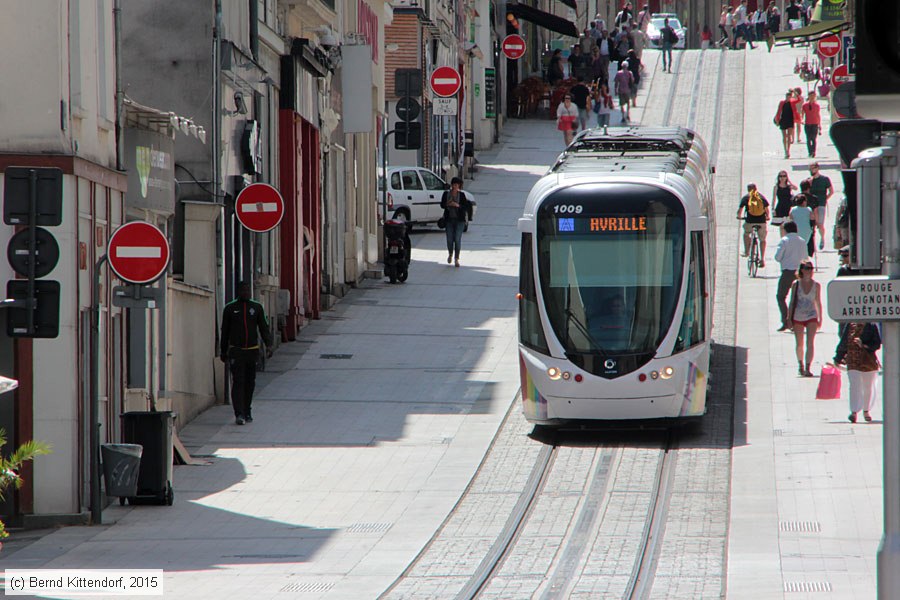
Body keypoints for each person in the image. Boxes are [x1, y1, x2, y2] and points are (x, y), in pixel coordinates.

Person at [220, 281, 274, 425]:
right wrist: (223, 351)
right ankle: (239, 413)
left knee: (250, 383)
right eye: (243, 290)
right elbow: (224, 332)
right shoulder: (230, 309)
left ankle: (247, 410)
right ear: (239, 292)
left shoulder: (256, 308)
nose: (246, 292)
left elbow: (263, 327)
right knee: (238, 382)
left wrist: (268, 345)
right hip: (236, 351)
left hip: (252, 351)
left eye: (247, 290)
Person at [834, 321, 881, 423]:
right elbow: (844, 342)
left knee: (867, 387)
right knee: (854, 385)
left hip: (868, 361)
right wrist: (838, 358)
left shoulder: (871, 325)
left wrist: (863, 344)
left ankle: (866, 410)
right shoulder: (850, 324)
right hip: (853, 361)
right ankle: (854, 411)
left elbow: (877, 344)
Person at [787, 261, 822, 376]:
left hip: (811, 315)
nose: (809, 271)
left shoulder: (816, 285)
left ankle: (808, 367)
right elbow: (792, 302)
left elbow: (818, 301)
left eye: (811, 268)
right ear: (802, 270)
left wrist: (820, 317)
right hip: (798, 315)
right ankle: (800, 364)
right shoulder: (796, 284)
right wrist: (788, 318)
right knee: (799, 344)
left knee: (810, 342)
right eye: (807, 268)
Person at [774, 221, 809, 331]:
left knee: (781, 296)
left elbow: (777, 257)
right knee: (798, 298)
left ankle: (785, 321)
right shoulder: (802, 241)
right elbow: (805, 257)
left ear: (785, 230)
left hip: (788, 272)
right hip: (800, 272)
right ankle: (798, 321)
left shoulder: (784, 241)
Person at [440, 177, 473, 268]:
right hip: (449, 220)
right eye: (454, 184)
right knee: (449, 239)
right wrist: (448, 204)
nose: (455, 186)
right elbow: (442, 205)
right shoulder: (446, 194)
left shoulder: (461, 195)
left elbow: (465, 206)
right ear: (451, 185)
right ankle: (450, 253)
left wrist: (457, 205)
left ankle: (456, 258)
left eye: (457, 185)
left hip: (459, 221)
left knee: (457, 239)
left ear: (459, 186)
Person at [736, 183, 770, 265]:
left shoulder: (746, 197)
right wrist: (767, 217)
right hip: (761, 221)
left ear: (748, 189)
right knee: (762, 240)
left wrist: (738, 216)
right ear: (756, 188)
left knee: (746, 234)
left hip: (750, 221)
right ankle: (762, 259)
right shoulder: (761, 197)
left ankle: (747, 251)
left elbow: (740, 210)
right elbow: (766, 210)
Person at [807, 161, 833, 249]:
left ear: (817, 168)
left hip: (821, 203)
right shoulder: (809, 180)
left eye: (813, 168)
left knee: (820, 223)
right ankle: (812, 243)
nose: (812, 170)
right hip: (812, 205)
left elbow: (831, 191)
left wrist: (826, 198)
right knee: (812, 224)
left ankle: (822, 238)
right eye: (810, 168)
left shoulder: (825, 179)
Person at [789, 189, 817, 257]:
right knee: (804, 245)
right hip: (806, 230)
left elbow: (790, 219)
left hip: (796, 230)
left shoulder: (793, 209)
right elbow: (812, 218)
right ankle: (804, 257)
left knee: (797, 246)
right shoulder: (808, 209)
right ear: (804, 202)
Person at [771, 169, 798, 234]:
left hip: (788, 207)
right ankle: (783, 239)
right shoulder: (776, 187)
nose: (782, 178)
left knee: (789, 225)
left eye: (784, 176)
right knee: (781, 225)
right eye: (781, 176)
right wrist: (773, 209)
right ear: (778, 177)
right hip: (780, 207)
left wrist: (789, 181)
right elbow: (774, 198)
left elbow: (796, 188)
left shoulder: (789, 186)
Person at [774, 90, 795, 158]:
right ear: (786, 97)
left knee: (789, 136)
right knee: (784, 136)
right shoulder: (782, 103)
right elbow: (779, 111)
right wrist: (777, 120)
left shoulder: (792, 103)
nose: (789, 98)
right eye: (788, 97)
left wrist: (794, 92)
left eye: (790, 97)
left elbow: (799, 99)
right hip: (783, 120)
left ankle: (788, 150)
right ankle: (785, 149)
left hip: (790, 120)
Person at [801, 91, 821, 158]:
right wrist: (802, 120)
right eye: (811, 96)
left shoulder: (817, 105)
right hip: (807, 124)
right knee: (808, 139)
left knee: (814, 139)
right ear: (808, 96)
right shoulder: (805, 105)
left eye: (813, 96)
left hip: (815, 123)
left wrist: (819, 125)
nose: (812, 97)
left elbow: (818, 115)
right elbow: (802, 114)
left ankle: (813, 152)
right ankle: (810, 152)